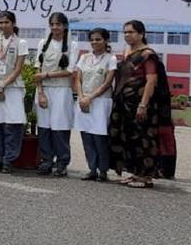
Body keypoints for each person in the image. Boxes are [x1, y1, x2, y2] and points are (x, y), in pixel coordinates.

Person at [109, 20, 176, 189]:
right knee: (129, 138)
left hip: (141, 105)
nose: (127, 35)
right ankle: (135, 173)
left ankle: (146, 176)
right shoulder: (126, 52)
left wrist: (143, 105)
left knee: (144, 139)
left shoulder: (147, 55)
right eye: (125, 32)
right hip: (124, 105)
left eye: (131, 32)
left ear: (141, 34)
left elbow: (151, 81)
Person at [0, 10, 29, 173]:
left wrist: (3, 86)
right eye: (1, 22)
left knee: (13, 124)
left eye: (7, 22)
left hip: (12, 88)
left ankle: (9, 160)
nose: (3, 25)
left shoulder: (20, 43)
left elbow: (18, 68)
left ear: (13, 24)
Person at [34, 12, 78, 177]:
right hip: (44, 90)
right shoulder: (43, 43)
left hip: (61, 91)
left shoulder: (72, 45)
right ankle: (46, 160)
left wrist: (46, 75)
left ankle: (62, 162)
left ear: (65, 26)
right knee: (44, 127)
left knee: (60, 127)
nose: (55, 27)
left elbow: (69, 70)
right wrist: (40, 92)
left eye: (58, 24)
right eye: (52, 24)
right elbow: (37, 68)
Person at [74, 27, 117, 182]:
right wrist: (81, 97)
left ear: (105, 41)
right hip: (83, 101)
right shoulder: (84, 57)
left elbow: (107, 83)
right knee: (86, 136)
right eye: (92, 39)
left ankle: (103, 170)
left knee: (99, 138)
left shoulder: (110, 59)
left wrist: (90, 98)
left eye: (98, 39)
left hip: (100, 102)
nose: (94, 42)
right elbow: (78, 79)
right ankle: (92, 169)